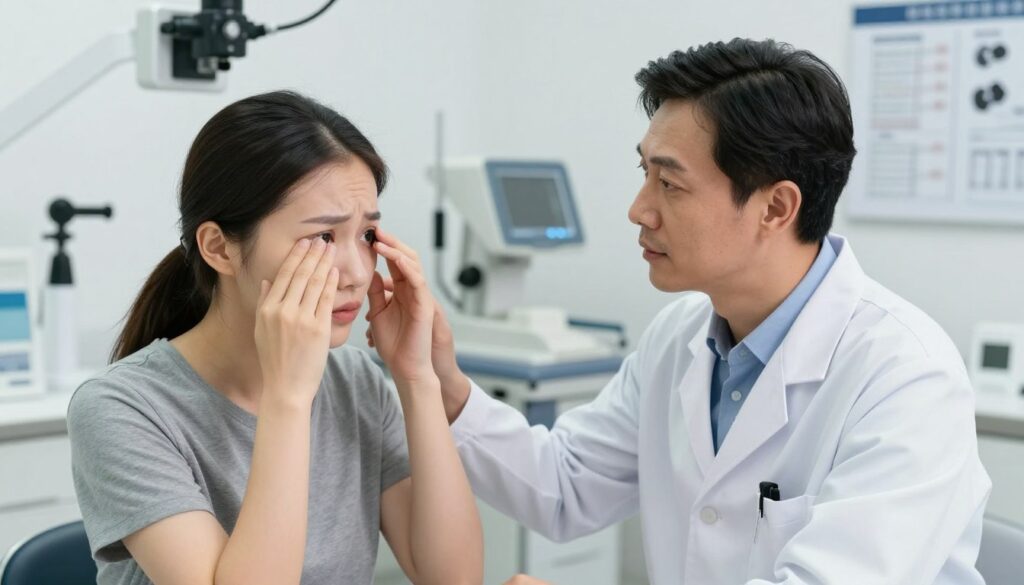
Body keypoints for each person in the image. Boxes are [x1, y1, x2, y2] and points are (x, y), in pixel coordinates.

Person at [408, 39, 992, 584]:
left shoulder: (905, 376)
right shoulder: (680, 336)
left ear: (776, 207)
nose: (639, 210)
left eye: (670, 184)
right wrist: (441, 381)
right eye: (644, 174)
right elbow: (566, 484)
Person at [66, 91, 482, 585]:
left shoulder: (356, 383)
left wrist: (416, 379)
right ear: (219, 248)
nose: (356, 273)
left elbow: (455, 579)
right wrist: (288, 397)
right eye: (323, 237)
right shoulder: (121, 408)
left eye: (368, 235)